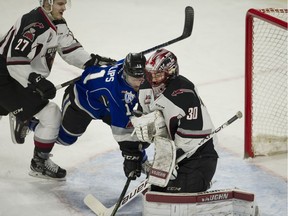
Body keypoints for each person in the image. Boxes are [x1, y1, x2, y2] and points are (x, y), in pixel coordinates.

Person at [0, 0, 116, 179]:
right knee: (50, 114)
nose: (64, 8)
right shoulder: (33, 24)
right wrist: (37, 80)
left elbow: (70, 49)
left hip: (19, 78)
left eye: (65, 4)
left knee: (44, 113)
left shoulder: (58, 23)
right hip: (7, 77)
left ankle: (25, 123)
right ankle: (38, 161)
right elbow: (15, 60)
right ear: (47, 3)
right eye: (60, 4)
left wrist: (93, 62)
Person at [131, 49, 218, 193]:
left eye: (158, 75)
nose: (152, 80)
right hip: (169, 151)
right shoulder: (145, 88)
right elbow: (145, 119)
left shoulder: (184, 93)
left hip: (199, 154)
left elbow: (190, 139)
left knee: (180, 191)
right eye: (150, 74)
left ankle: (202, 182)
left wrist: (170, 162)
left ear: (170, 73)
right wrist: (134, 153)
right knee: (155, 191)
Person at [57, 52, 150, 180]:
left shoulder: (127, 67)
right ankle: (32, 123)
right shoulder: (117, 93)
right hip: (81, 102)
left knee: (133, 128)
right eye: (134, 80)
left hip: (104, 104)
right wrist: (131, 158)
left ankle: (143, 162)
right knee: (64, 139)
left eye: (141, 79)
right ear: (125, 74)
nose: (139, 84)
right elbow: (121, 131)